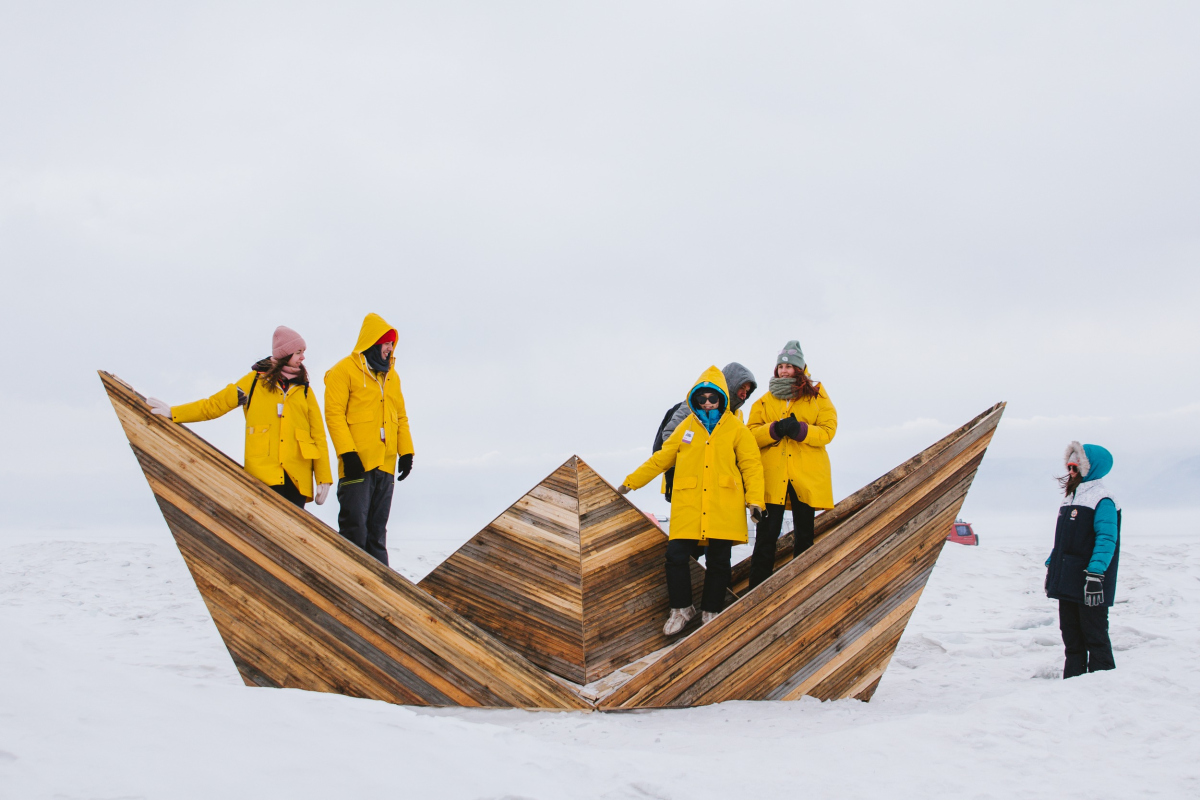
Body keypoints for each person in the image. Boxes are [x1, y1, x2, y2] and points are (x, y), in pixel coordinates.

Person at [618, 366, 765, 634]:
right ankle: (681, 608)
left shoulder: (736, 428)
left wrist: (755, 500)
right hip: (690, 503)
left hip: (724, 503)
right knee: (675, 556)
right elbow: (661, 458)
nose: (707, 403)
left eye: (713, 398)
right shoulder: (685, 426)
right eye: (702, 398)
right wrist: (631, 482)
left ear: (722, 398)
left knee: (719, 560)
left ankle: (712, 611)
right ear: (695, 399)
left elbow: (751, 465)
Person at [146, 326, 333, 508]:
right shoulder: (253, 382)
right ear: (285, 353)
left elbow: (318, 436)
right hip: (263, 475)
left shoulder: (305, 390)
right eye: (298, 352)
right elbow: (213, 405)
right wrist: (174, 413)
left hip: (297, 478)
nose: (303, 357)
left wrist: (324, 477)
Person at [745, 340, 838, 589]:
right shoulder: (764, 401)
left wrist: (801, 430)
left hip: (805, 475)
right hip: (773, 476)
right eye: (781, 366)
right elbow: (749, 435)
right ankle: (756, 590)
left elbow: (829, 431)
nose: (784, 370)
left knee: (804, 536)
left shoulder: (817, 396)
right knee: (766, 536)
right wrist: (774, 429)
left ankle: (802, 587)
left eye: (789, 366)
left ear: (800, 368)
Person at [324, 313, 414, 565]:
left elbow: (402, 417)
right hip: (357, 464)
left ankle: (382, 594)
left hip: (385, 465)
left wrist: (406, 452)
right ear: (374, 342)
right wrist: (347, 453)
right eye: (387, 343)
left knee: (377, 533)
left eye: (392, 345)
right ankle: (350, 588)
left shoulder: (392, 376)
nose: (390, 349)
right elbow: (334, 415)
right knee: (355, 530)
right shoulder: (343, 371)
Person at [1045, 441, 1120, 678]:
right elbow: (1066, 540)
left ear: (1089, 468)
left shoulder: (1103, 499)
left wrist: (1096, 574)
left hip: (1090, 581)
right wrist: (1053, 562)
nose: (1070, 472)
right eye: (1069, 467)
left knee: (1094, 634)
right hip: (1068, 578)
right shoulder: (1071, 498)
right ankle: (1073, 681)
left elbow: (1107, 538)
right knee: (1071, 635)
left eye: (1075, 468)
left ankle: (1103, 684)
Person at [654, 363, 757, 504]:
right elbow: (669, 439)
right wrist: (672, 473)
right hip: (685, 481)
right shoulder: (694, 406)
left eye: (748, 390)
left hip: (719, 486)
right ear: (730, 383)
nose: (744, 394)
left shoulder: (737, 416)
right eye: (741, 387)